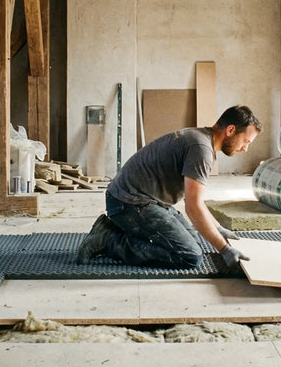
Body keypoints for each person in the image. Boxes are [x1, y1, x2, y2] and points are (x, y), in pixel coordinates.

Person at [75, 105, 262, 271]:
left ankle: (115, 230)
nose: (245, 149)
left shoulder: (201, 138)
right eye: (246, 141)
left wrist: (218, 228)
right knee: (189, 256)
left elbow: (197, 202)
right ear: (230, 130)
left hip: (143, 199)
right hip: (129, 202)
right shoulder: (201, 150)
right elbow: (193, 208)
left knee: (194, 242)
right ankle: (107, 241)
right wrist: (224, 248)